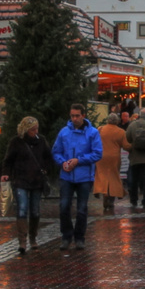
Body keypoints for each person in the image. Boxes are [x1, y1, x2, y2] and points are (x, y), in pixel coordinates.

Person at [51, 104, 103, 249]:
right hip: (66, 176)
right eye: (72, 116)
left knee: (81, 209)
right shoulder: (64, 132)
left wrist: (79, 160)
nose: (74, 118)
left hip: (84, 177)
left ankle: (79, 237)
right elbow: (56, 151)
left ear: (83, 115)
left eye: (77, 116)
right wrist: (63, 163)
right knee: (64, 206)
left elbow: (97, 153)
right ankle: (66, 236)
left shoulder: (92, 133)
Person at [1, 116, 51, 254]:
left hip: (36, 180)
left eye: (36, 129)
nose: (35, 131)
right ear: (26, 129)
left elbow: (48, 156)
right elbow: (8, 160)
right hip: (20, 180)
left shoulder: (41, 141)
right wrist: (6, 173)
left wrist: (45, 168)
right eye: (32, 129)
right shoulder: (16, 142)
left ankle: (33, 237)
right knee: (22, 209)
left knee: (35, 210)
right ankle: (22, 240)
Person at [94, 113, 127, 215]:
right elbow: (126, 145)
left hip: (101, 156)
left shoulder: (100, 129)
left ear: (108, 120)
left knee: (102, 175)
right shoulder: (121, 132)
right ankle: (111, 198)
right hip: (114, 157)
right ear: (117, 121)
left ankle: (103, 192)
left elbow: (94, 140)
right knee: (113, 176)